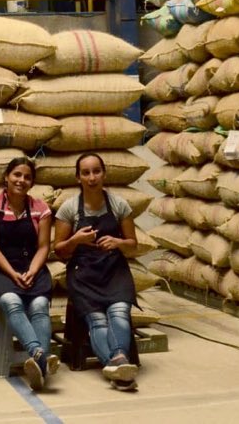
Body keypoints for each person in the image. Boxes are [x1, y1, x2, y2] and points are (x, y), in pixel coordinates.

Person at [53, 152, 140, 391]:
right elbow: (58, 250)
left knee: (119, 312)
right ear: (78, 177)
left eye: (96, 171)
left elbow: (133, 245)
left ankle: (117, 362)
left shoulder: (119, 205)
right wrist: (76, 240)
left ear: (104, 174)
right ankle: (119, 366)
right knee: (97, 320)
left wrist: (118, 243)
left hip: (114, 271)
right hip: (84, 274)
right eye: (86, 173)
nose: (92, 178)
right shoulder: (69, 208)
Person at [0, 157, 58, 391]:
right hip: (2, 269)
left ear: (32, 182)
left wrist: (32, 271)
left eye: (27, 177)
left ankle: (38, 366)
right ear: (6, 176)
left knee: (40, 305)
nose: (21, 180)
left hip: (33, 268)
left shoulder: (41, 208)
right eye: (17, 175)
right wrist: (13, 274)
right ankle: (39, 355)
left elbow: (44, 247)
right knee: (11, 301)